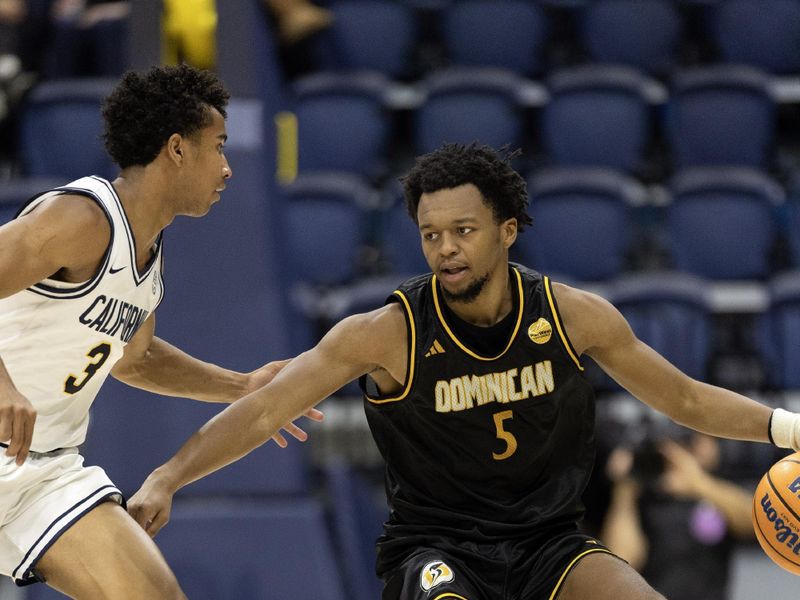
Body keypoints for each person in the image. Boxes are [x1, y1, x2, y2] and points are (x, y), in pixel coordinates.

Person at [129, 143, 800, 600]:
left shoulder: (572, 316)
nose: (445, 249)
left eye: (463, 231)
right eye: (430, 234)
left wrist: (786, 428)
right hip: (436, 551)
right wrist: (168, 475)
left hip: (550, 544)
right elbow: (265, 409)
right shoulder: (386, 333)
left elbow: (683, 397)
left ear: (507, 230)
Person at [0, 63, 320, 598]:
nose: (227, 168)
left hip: (46, 473)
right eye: (218, 146)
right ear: (177, 148)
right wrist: (4, 385)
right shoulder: (80, 217)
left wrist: (240, 386)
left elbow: (135, 360)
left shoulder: (146, 251)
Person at [601, 427, 755, 600]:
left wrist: (698, 483)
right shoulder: (644, 496)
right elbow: (623, 561)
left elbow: (755, 523)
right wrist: (625, 490)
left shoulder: (717, 488)